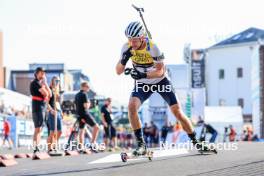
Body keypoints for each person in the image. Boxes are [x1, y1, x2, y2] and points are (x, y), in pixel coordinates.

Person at [116, 21, 209, 155]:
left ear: (142, 37)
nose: (132, 43)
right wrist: (124, 60)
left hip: (161, 81)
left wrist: (143, 74)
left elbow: (160, 71)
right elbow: (118, 71)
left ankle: (196, 141)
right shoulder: (127, 47)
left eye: (135, 40)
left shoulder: (153, 47)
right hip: (142, 84)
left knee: (177, 112)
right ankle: (142, 146)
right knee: (131, 107)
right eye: (130, 40)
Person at [30, 67, 52, 155]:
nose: (43, 74)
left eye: (43, 73)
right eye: (41, 73)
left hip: (42, 107)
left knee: (40, 128)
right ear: (37, 73)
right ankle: (35, 148)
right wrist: (44, 85)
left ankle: (37, 147)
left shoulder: (41, 83)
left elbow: (50, 94)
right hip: (37, 107)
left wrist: (46, 83)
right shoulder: (35, 83)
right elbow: (46, 93)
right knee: (38, 128)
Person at [75, 82, 99, 152]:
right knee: (96, 127)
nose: (89, 88)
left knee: (82, 130)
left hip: (79, 115)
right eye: (88, 87)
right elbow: (86, 106)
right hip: (85, 114)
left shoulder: (77, 95)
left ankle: (81, 147)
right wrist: (89, 103)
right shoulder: (84, 94)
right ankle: (92, 143)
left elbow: (76, 106)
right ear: (84, 87)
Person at [46, 76, 63, 153]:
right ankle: (49, 148)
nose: (57, 82)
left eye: (58, 80)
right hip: (52, 112)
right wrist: (51, 110)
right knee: (52, 131)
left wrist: (61, 112)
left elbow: (58, 103)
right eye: (55, 80)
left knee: (60, 131)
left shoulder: (58, 91)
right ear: (52, 81)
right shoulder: (49, 90)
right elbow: (46, 102)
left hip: (58, 111)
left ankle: (54, 145)